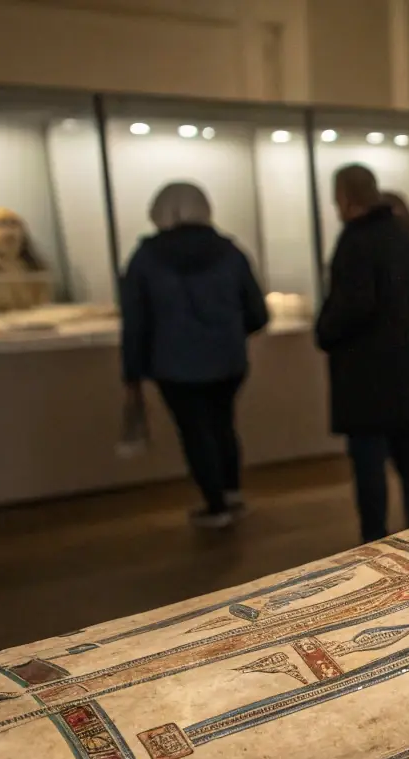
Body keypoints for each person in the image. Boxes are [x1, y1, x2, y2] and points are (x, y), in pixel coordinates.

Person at [121, 181, 268, 529]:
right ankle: (232, 493)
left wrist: (132, 371)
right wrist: (227, 333)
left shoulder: (146, 258)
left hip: (173, 364)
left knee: (195, 432)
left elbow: (136, 321)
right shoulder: (230, 252)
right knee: (222, 424)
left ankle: (215, 505)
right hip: (228, 360)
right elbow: (257, 314)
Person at [316, 165, 409, 542]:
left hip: (366, 376)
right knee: (408, 455)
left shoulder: (356, 244)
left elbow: (352, 306)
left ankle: (374, 542)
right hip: (408, 373)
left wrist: (324, 332)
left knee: (369, 464)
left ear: (344, 197)